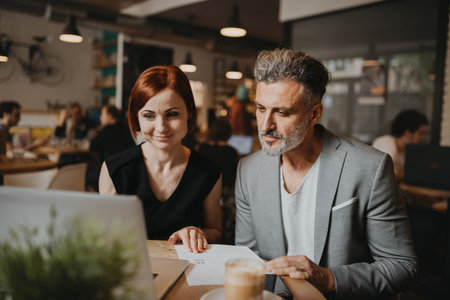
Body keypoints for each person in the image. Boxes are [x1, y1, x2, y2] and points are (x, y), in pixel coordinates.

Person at [235, 49, 419, 299]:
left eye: (282, 112)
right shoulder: (248, 171)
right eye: (260, 108)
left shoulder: (370, 168)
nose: (265, 125)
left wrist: (328, 278)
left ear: (315, 113)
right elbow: (248, 260)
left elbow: (402, 266)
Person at [98, 65, 222, 253]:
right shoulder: (115, 170)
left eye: (172, 114)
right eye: (149, 116)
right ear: (136, 118)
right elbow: (104, 238)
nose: (161, 127)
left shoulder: (208, 172)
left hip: (189, 271)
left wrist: (198, 232)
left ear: (189, 111)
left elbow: (215, 231)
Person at [372, 109, 428, 180]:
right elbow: (389, 175)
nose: (423, 137)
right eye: (421, 133)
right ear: (408, 133)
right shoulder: (386, 143)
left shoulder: (407, 150)